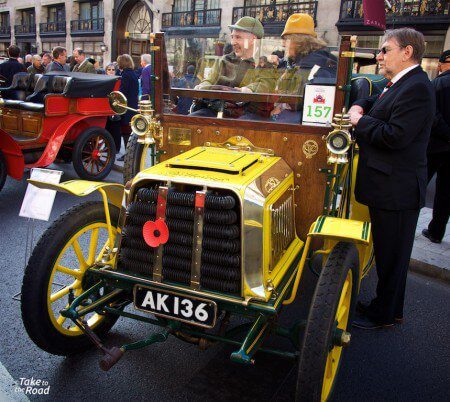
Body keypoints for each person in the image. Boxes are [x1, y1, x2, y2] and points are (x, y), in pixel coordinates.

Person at [348, 28, 435, 329]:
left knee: (392, 259)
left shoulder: (418, 88)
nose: (380, 55)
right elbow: (381, 107)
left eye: (386, 49)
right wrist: (361, 105)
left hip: (396, 190)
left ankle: (382, 314)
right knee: (389, 256)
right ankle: (388, 309)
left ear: (407, 52)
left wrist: (360, 122)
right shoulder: (402, 83)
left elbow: (395, 135)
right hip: (389, 186)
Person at [191, 16, 266, 117]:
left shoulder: (264, 64)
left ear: (253, 39)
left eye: (238, 37)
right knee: (192, 119)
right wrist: (202, 86)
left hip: (247, 113)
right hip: (217, 109)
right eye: (232, 37)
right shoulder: (224, 60)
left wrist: (248, 89)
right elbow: (210, 79)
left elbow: (265, 84)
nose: (233, 42)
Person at [270, 13, 337, 123]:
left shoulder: (319, 68)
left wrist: (280, 110)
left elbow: (312, 106)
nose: (283, 44)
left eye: (286, 40)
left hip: (299, 126)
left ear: (298, 42)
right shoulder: (295, 63)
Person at [421, 49, 450, 244]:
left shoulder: (437, 84)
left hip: (436, 145)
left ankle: (407, 223)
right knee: (446, 192)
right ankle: (436, 232)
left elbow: (431, 115)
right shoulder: (437, 84)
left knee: (419, 186)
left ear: (440, 65)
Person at [115, 54, 139, 159]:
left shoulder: (125, 75)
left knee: (125, 131)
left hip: (126, 106)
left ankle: (128, 154)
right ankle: (130, 153)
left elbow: (122, 91)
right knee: (129, 130)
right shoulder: (133, 73)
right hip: (132, 103)